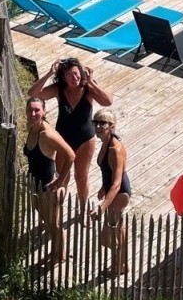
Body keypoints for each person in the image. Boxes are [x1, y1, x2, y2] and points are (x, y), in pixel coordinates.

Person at [27, 56, 112, 206]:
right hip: (63, 138)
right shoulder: (59, 89)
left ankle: (83, 209)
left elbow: (108, 101)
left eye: (76, 73)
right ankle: (57, 208)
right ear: (63, 77)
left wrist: (91, 81)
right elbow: (33, 94)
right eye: (69, 75)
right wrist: (48, 74)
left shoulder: (88, 88)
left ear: (81, 72)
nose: (74, 78)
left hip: (85, 139)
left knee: (81, 177)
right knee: (62, 177)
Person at [23, 95, 75, 266]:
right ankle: (57, 252)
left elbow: (70, 155)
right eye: (30, 110)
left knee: (55, 225)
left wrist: (59, 182)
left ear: (44, 111)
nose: (32, 113)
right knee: (48, 221)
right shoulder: (32, 128)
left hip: (47, 188)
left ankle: (59, 255)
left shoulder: (47, 134)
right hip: (35, 185)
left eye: (36, 110)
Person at [90, 107, 131, 276]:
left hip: (119, 193)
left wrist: (102, 207)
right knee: (113, 230)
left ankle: (120, 264)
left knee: (111, 233)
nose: (98, 126)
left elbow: (116, 183)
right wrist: (102, 187)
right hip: (112, 190)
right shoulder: (105, 143)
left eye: (103, 123)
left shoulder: (115, 149)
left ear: (112, 127)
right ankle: (120, 263)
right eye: (96, 122)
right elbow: (108, 171)